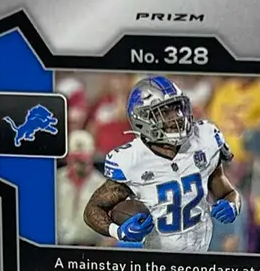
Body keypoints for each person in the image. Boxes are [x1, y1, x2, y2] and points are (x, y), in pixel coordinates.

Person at [83, 76, 239, 252]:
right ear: (143, 118)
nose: (176, 117)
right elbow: (92, 210)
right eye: (164, 112)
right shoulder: (132, 160)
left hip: (201, 255)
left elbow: (228, 192)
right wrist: (118, 232)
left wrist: (233, 205)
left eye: (177, 108)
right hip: (157, 262)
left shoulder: (204, 138)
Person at [56, 130, 105, 246]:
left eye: (84, 159)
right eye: (76, 159)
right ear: (68, 158)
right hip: (58, 246)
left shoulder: (103, 185)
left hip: (90, 247)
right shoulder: (55, 180)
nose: (81, 163)